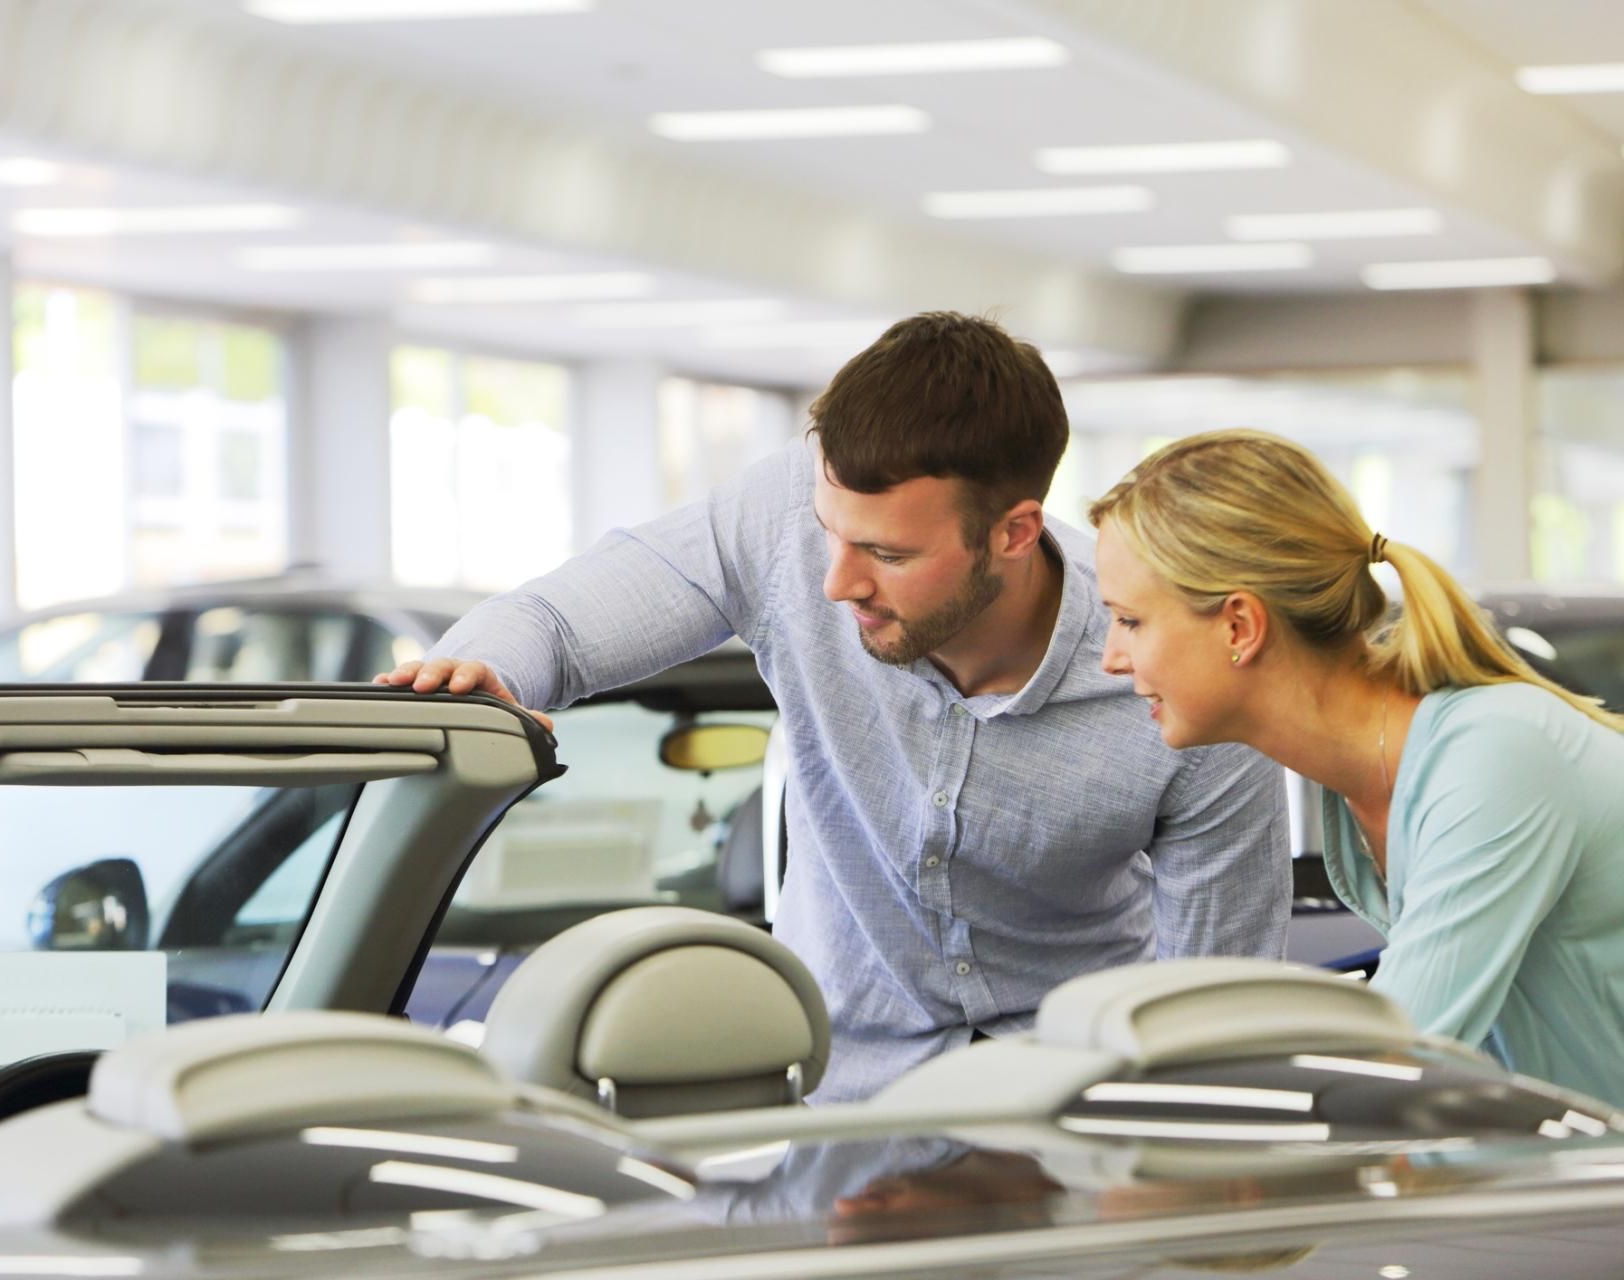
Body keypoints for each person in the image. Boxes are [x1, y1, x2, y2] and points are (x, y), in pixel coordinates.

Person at [379, 312, 1291, 1102]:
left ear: (1014, 532)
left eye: (889, 555)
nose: (835, 582)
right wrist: (480, 672)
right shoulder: (783, 515)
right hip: (842, 1114)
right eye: (829, 534)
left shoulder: (1179, 683)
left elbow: (1215, 1010)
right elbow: (556, 624)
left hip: (1071, 1119)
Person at [1090, 427, 1624, 1105]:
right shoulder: (1362, 783)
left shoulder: (1496, 756)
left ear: (1239, 627)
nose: (1110, 659)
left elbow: (1391, 1060)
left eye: (1130, 621)